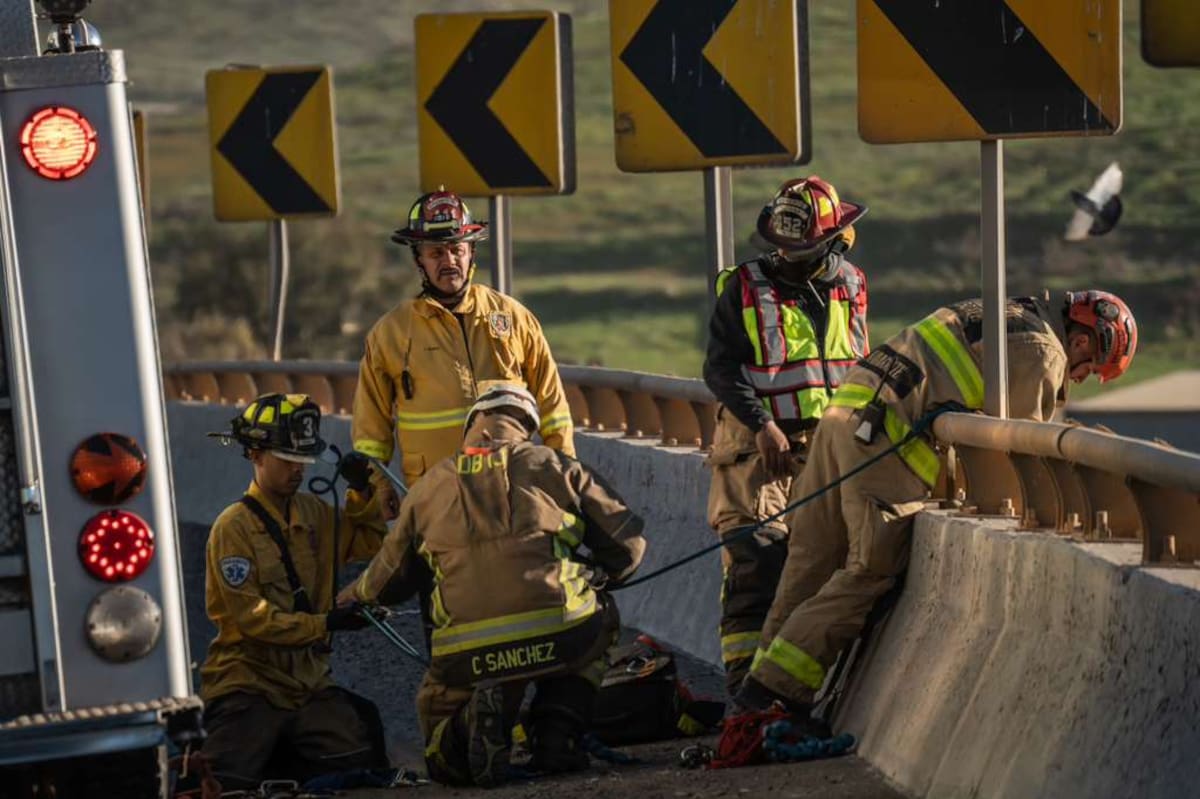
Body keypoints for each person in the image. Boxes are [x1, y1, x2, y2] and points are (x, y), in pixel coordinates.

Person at [734, 290, 1138, 725]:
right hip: (881, 438)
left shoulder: (995, 310)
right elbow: (1021, 452)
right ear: (1081, 343)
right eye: (1087, 369)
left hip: (843, 417)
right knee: (871, 568)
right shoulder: (1041, 350)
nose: (1077, 379)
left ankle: (752, 702)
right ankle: (777, 693)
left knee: (809, 562)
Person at [338, 383, 647, 787]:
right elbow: (628, 546)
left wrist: (347, 603)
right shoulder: (557, 466)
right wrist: (603, 576)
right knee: (600, 617)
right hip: (562, 633)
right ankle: (557, 731)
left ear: (474, 423)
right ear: (525, 428)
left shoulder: (426, 489)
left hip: (467, 653)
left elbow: (385, 581)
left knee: (441, 752)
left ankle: (470, 725)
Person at [703, 176, 870, 694]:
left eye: (799, 247)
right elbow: (721, 369)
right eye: (780, 244)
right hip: (756, 447)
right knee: (756, 560)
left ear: (831, 239)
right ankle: (743, 691)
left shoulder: (853, 286)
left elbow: (856, 368)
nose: (785, 255)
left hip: (825, 447)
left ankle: (785, 687)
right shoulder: (745, 286)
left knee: (816, 567)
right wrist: (764, 427)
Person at [199, 393, 389, 788]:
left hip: (308, 685)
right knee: (226, 781)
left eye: (302, 460)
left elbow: (369, 543)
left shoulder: (315, 513)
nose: (297, 470)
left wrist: (361, 491)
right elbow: (254, 622)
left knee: (358, 760)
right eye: (287, 459)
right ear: (255, 454)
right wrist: (326, 623)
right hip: (249, 683)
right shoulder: (231, 529)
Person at [352, 189, 575, 517]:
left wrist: (563, 474)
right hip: (434, 499)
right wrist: (379, 486)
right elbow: (371, 429)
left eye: (457, 250)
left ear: (471, 253)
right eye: (436, 253)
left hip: (510, 490)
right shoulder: (391, 333)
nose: (449, 261)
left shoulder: (514, 318)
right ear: (420, 260)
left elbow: (553, 407)